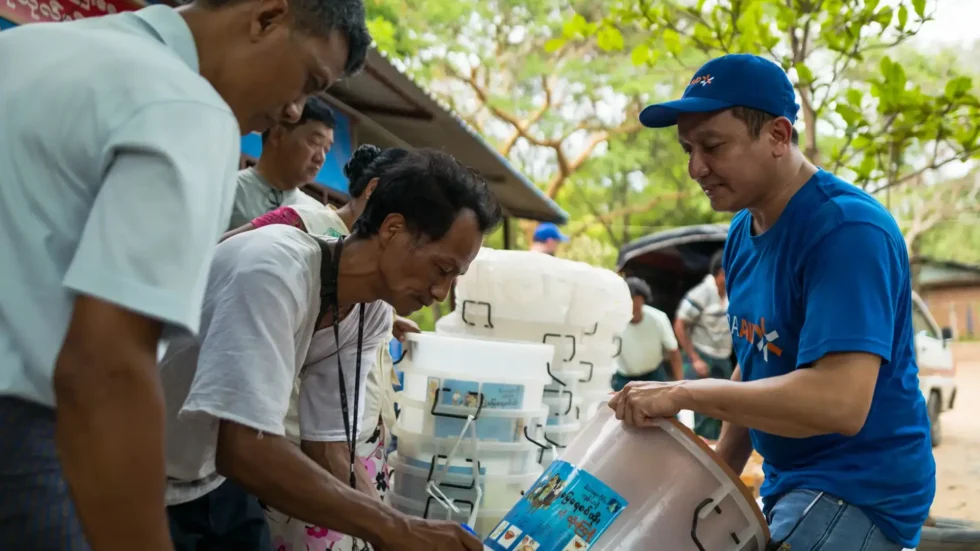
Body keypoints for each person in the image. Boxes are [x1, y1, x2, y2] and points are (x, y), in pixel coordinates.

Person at [0, 0, 370, 549]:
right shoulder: (189, 110)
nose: (293, 112)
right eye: (307, 80)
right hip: (26, 448)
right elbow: (108, 365)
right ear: (267, 17)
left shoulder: (26, 49)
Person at [610, 54, 934, 550]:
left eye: (713, 146)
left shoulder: (846, 230)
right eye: (688, 149)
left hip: (861, 489)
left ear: (779, 136)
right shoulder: (743, 230)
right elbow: (757, 365)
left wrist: (686, 393)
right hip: (792, 482)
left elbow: (840, 402)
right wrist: (717, 478)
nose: (697, 167)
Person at [161, 148, 501, 551]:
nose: (440, 293)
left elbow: (328, 449)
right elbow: (244, 450)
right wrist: (396, 530)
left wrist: (393, 530)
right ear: (393, 230)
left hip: (205, 481)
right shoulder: (273, 269)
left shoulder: (369, 311)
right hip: (131, 470)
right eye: (442, 269)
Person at [226, 144, 419, 550]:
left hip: (342, 435)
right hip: (277, 431)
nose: (439, 290)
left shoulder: (379, 298)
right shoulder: (296, 231)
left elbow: (330, 437)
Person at [229, 97, 338, 230]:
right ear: (277, 134)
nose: (320, 158)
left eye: (326, 150)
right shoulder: (229, 190)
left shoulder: (318, 215)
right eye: (314, 142)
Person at [672, 249, 733, 439]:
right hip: (702, 354)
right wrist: (695, 359)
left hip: (723, 356)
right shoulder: (702, 293)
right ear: (719, 273)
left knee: (724, 407)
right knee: (703, 409)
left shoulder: (733, 293)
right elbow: (680, 324)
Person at [611, 277, 683, 392]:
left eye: (636, 303)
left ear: (643, 301)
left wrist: (679, 384)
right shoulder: (613, 321)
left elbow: (673, 352)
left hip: (653, 376)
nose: (633, 308)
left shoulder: (658, 319)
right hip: (624, 378)